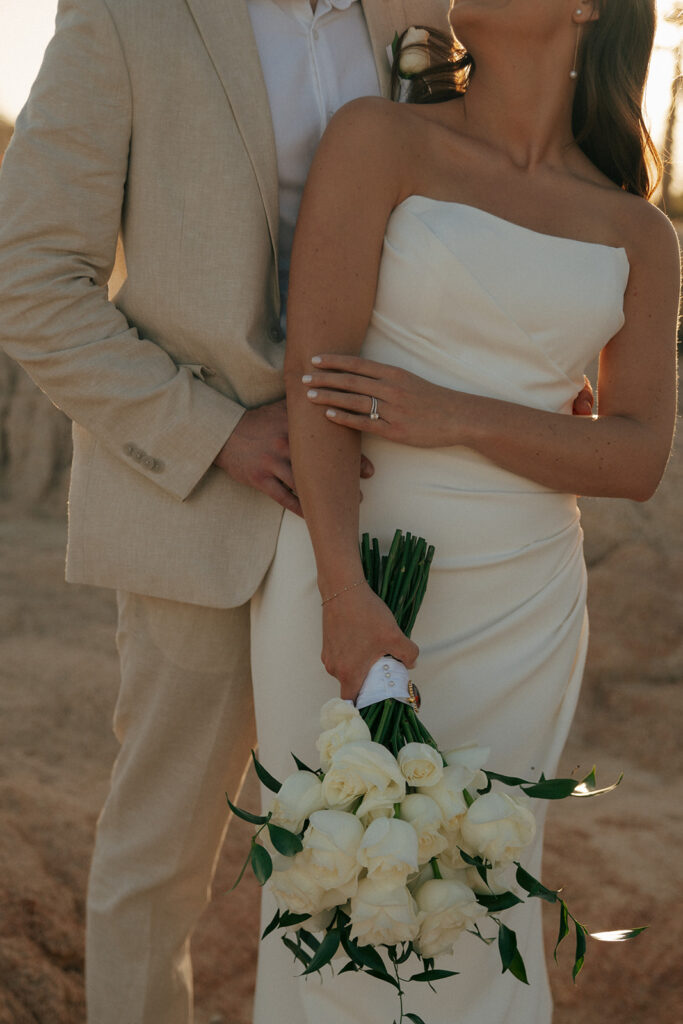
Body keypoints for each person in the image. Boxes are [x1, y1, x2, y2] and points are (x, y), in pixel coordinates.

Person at [0, 2, 472, 1022]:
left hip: (398, 500)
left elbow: (479, 209)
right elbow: (31, 278)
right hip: (204, 504)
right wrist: (217, 431)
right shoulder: (126, 19)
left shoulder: (425, 14)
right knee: (159, 863)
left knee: (393, 847)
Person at [250, 0, 680, 1021]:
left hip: (522, 603)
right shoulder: (378, 137)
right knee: (326, 903)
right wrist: (345, 594)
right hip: (342, 568)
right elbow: (315, 383)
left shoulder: (635, 232)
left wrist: (455, 415)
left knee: (475, 908)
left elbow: (633, 456)